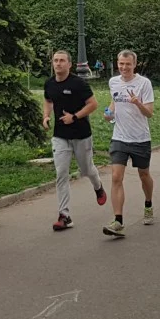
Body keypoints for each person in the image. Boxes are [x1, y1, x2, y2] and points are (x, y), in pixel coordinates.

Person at [43, 50, 107, 231]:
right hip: (60, 136)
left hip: (81, 134)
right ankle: (64, 215)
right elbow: (48, 100)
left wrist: (75, 117)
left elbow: (93, 104)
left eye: (62, 60)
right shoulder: (49, 83)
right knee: (61, 173)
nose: (58, 63)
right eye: (55, 60)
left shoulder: (79, 83)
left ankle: (98, 186)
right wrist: (46, 116)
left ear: (69, 64)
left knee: (86, 170)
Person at [102, 49, 156, 238]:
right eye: (121, 64)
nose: (124, 67)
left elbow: (150, 113)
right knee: (116, 177)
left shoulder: (144, 83)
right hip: (119, 137)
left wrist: (137, 103)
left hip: (140, 138)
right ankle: (118, 221)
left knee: (144, 175)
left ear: (134, 64)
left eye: (128, 64)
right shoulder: (113, 82)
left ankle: (148, 204)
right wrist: (108, 113)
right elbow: (114, 102)